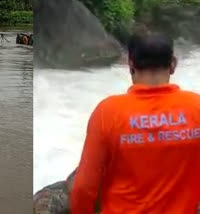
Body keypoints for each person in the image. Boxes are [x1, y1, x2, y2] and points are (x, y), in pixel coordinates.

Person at [70, 32, 200, 214]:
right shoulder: (196, 108)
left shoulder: (108, 112)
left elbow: (83, 187)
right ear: (173, 64)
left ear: (130, 64)